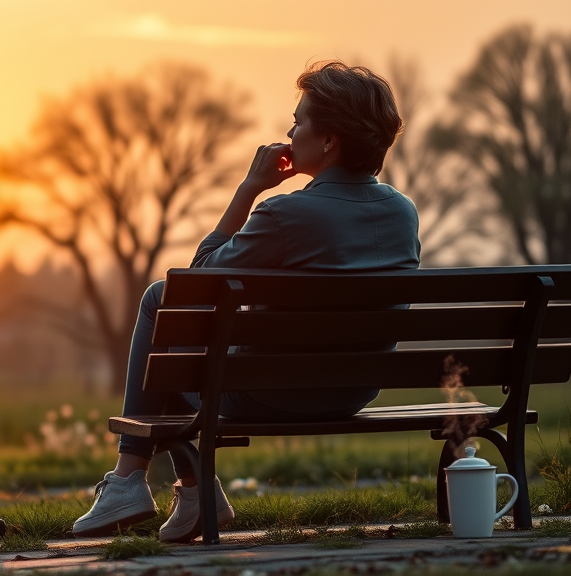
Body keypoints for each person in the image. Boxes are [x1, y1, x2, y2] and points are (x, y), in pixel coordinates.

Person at [72, 60, 421, 543]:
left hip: (267, 392)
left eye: (299, 120)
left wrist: (250, 188)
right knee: (179, 347)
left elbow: (195, 283)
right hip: (354, 390)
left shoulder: (286, 213)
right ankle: (192, 494)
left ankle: (133, 480)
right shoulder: (403, 213)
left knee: (162, 306)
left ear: (328, 141)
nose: (289, 130)